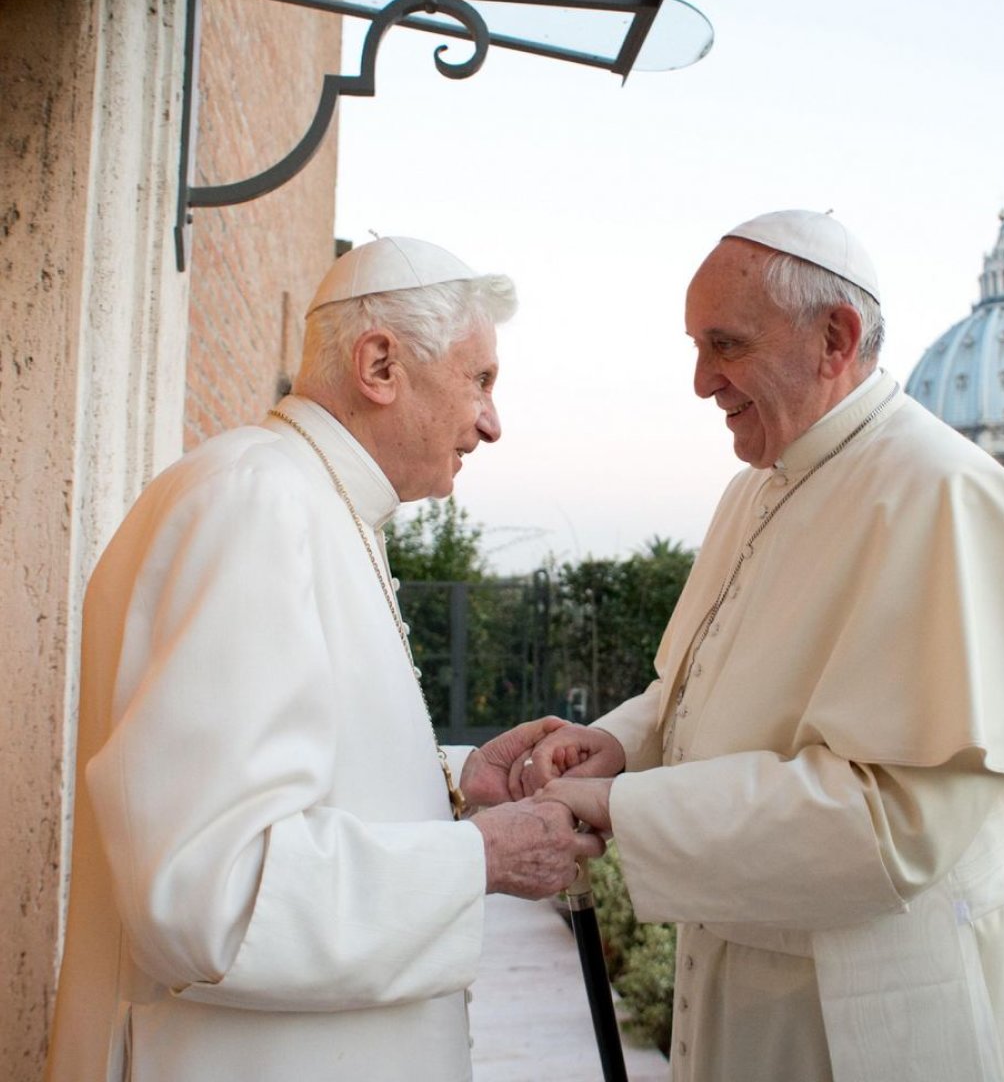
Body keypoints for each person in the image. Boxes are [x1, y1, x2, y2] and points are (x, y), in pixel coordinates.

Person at [521, 210, 1004, 1082]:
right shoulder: (757, 489)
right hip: (757, 966)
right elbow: (696, 684)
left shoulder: (940, 492)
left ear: (834, 338)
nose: (700, 382)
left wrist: (623, 807)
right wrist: (619, 744)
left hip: (888, 996)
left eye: (724, 345)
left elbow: (895, 824)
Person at [46, 236, 604, 1082]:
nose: (492, 422)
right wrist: (482, 855)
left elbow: (298, 779)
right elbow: (210, 894)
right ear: (380, 364)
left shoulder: (311, 501)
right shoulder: (258, 502)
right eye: (480, 380)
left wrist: (457, 789)